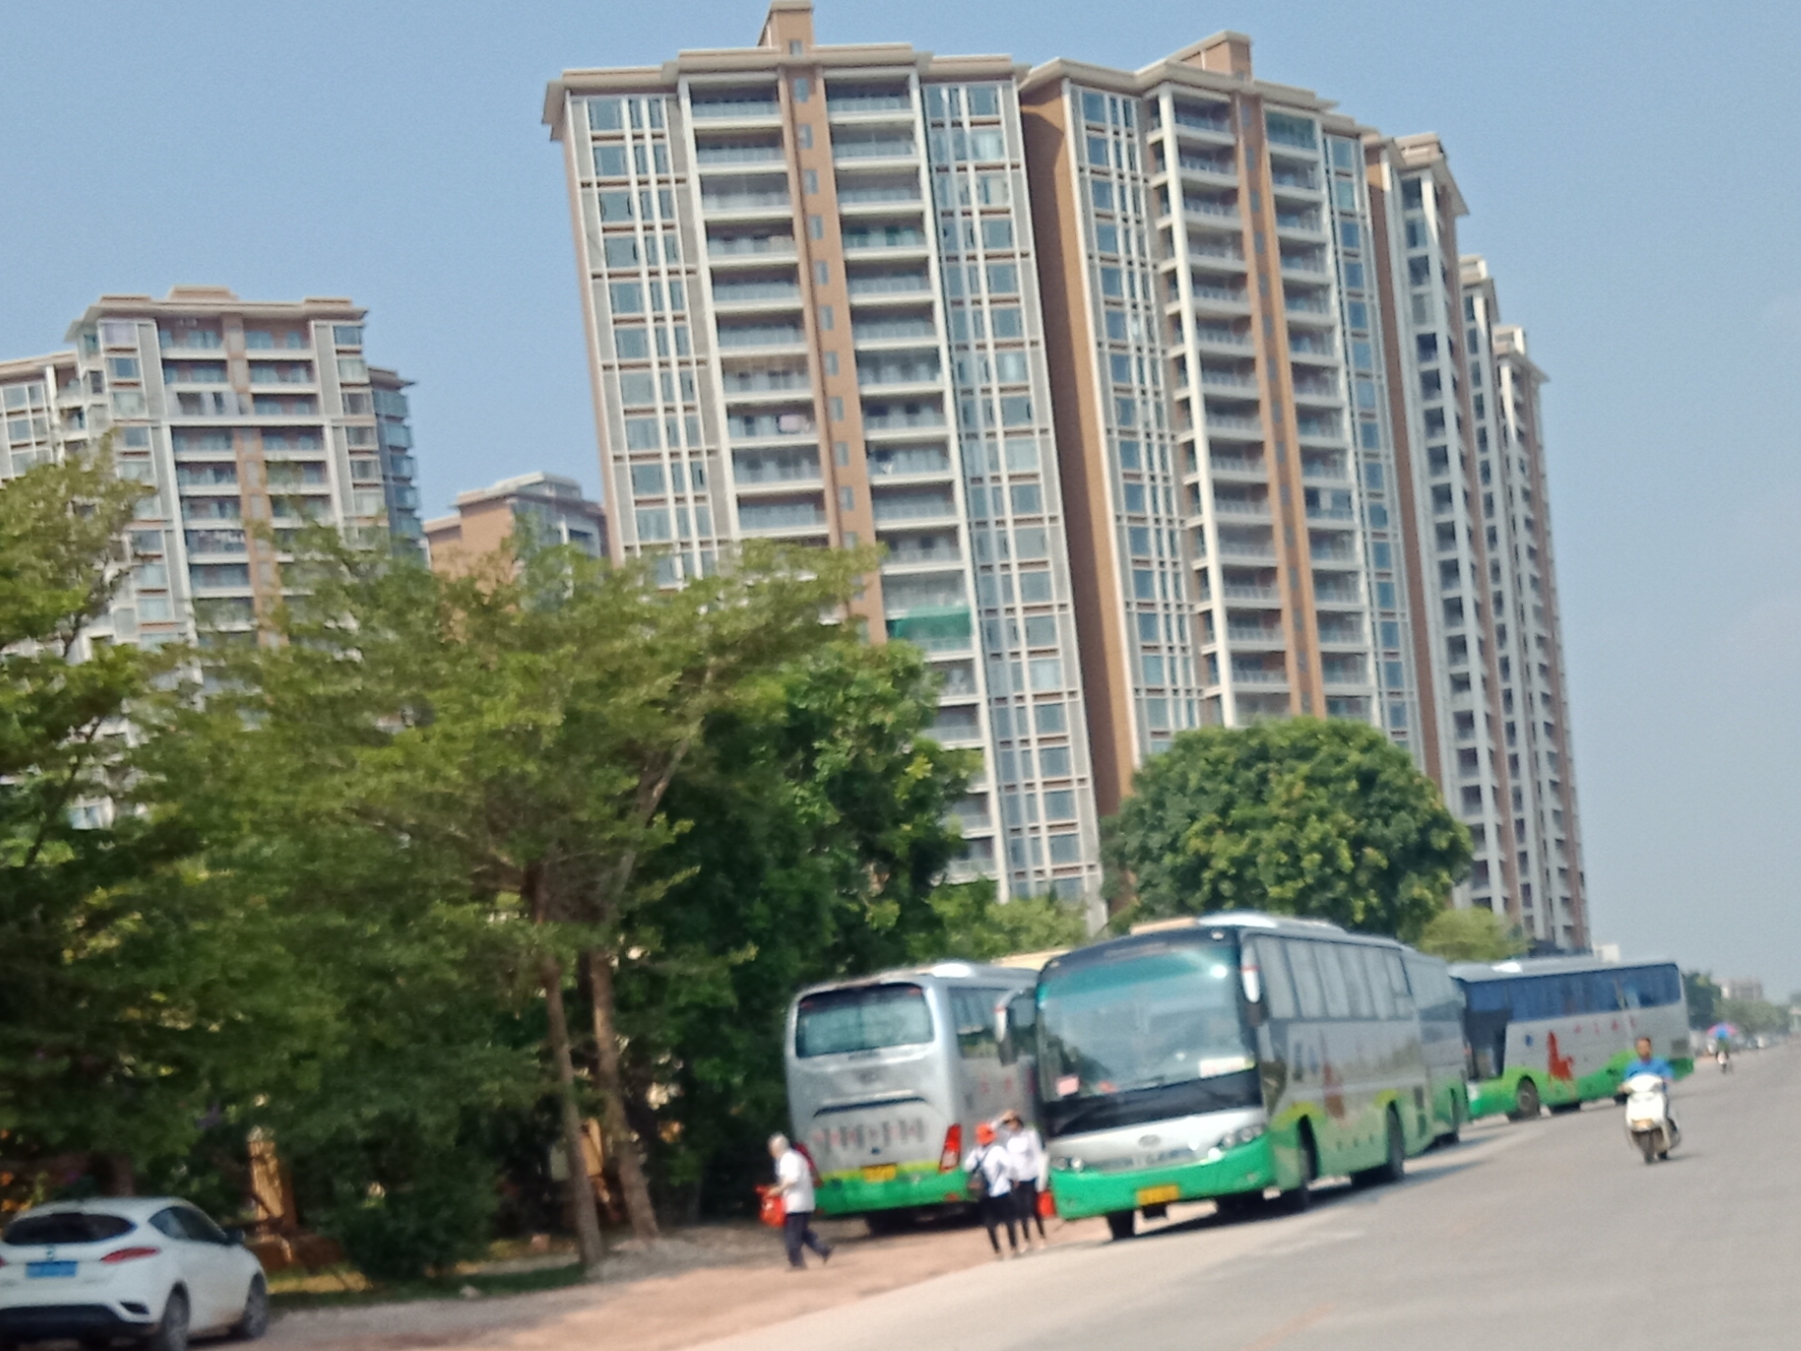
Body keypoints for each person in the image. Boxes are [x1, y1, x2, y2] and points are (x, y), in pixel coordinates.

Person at [768, 1133, 832, 1270]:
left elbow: (792, 1179)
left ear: (777, 1148)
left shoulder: (787, 1159)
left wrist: (778, 1189)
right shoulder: (797, 1157)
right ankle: (823, 1249)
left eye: (772, 1149)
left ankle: (797, 1263)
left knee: (792, 1234)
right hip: (805, 1201)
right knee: (801, 1231)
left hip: (796, 1203)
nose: (771, 1152)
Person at [965, 1122, 1019, 1260]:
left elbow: (967, 1167)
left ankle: (997, 1251)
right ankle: (1013, 1247)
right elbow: (1009, 1165)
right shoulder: (998, 1150)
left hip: (985, 1192)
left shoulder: (975, 1152)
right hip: (1001, 1190)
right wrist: (1014, 1178)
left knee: (989, 1222)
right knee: (1009, 1220)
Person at [999, 1110, 1048, 1250]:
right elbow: (992, 1128)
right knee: (1021, 1210)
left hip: (1031, 1175)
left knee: (1032, 1207)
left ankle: (1042, 1236)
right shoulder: (1008, 1137)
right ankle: (1026, 1239)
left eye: (1012, 1122)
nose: (1010, 1125)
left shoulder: (1029, 1134)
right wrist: (1002, 1118)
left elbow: (1038, 1154)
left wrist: (1041, 1177)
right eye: (1008, 1123)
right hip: (1016, 1178)